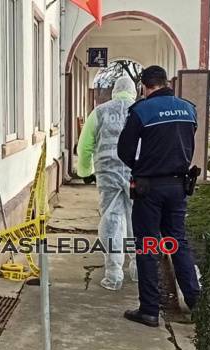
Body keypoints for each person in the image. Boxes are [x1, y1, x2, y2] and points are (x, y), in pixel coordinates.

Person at [116, 66, 201, 327]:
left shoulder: (141, 111)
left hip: (149, 188)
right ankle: (196, 303)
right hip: (178, 185)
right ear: (165, 82)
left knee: (148, 246)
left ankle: (150, 310)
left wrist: (140, 167)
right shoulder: (188, 109)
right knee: (178, 243)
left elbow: (124, 150)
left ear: (144, 85)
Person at [77, 76, 138, 290]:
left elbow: (85, 145)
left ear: (114, 91)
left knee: (111, 220)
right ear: (133, 92)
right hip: (136, 174)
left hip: (107, 173)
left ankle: (113, 274)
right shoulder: (140, 111)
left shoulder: (100, 112)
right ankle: (138, 270)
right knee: (137, 218)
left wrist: (85, 171)